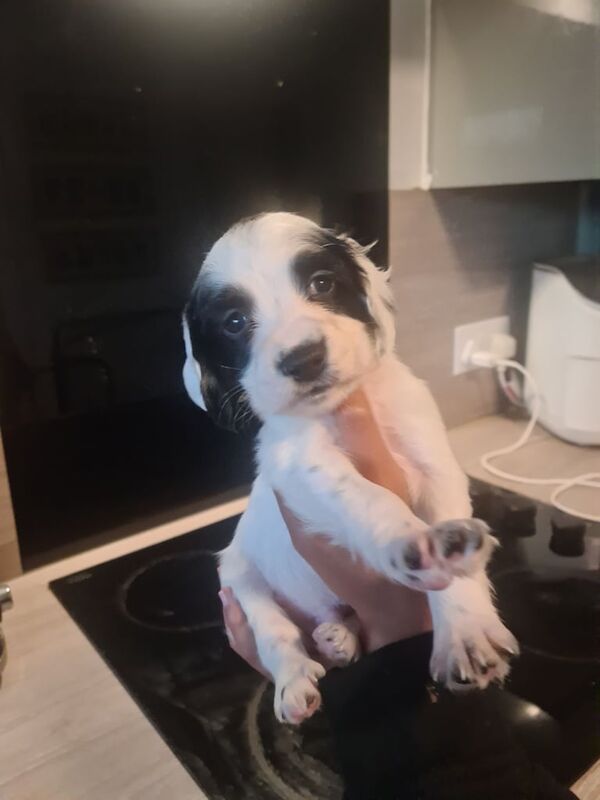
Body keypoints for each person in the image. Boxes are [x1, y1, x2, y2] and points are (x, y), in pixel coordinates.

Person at [220, 390, 577, 800]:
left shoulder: (396, 400)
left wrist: (424, 614)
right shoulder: (294, 432)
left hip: (371, 667)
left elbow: (441, 489)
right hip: (336, 631)